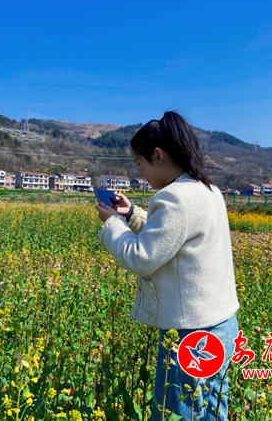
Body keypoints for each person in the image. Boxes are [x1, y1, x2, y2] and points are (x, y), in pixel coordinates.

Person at [95, 111, 240, 420]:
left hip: (192, 335)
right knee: (212, 411)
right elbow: (172, 234)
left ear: (158, 156)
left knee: (177, 413)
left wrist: (112, 225)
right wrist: (131, 214)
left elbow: (141, 257)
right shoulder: (207, 189)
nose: (141, 173)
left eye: (140, 163)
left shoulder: (174, 198)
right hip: (221, 326)